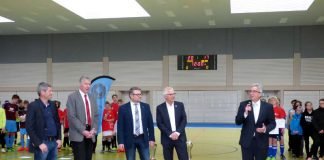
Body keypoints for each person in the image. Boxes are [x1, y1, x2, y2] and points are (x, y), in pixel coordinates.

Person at [235, 83, 276, 160]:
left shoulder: (268, 107)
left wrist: (265, 129)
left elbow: (273, 123)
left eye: (254, 91)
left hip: (262, 142)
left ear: (260, 94)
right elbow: (237, 121)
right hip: (246, 142)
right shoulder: (243, 105)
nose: (251, 93)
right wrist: (245, 113)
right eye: (250, 91)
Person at [26, 82, 62, 160]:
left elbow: (57, 123)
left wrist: (59, 138)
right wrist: (38, 143)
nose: (52, 93)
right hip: (42, 143)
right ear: (42, 92)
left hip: (54, 142)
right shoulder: (33, 106)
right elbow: (29, 127)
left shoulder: (53, 105)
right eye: (50, 91)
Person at [117, 87, 155, 160]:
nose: (140, 96)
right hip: (129, 139)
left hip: (143, 139)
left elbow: (150, 124)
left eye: (140, 94)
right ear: (131, 95)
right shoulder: (123, 108)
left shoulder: (146, 106)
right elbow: (120, 126)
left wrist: (151, 138)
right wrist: (120, 142)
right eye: (137, 94)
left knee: (146, 158)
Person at [66, 76, 99, 160]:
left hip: (90, 133)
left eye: (89, 84)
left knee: (88, 157)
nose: (88, 86)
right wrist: (83, 130)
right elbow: (71, 116)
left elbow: (96, 116)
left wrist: (93, 129)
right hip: (78, 134)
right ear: (80, 85)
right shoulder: (72, 97)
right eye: (86, 84)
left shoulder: (92, 97)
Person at [156, 87, 189, 160]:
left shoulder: (180, 105)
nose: (173, 95)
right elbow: (160, 123)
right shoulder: (160, 108)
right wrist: (170, 134)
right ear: (165, 96)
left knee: (184, 158)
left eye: (174, 93)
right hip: (167, 138)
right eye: (170, 94)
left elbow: (184, 120)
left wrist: (177, 133)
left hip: (180, 137)